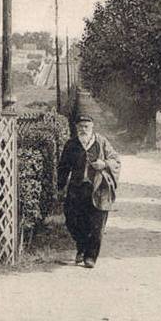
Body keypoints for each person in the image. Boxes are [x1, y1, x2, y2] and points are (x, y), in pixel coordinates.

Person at [57, 114, 121, 268]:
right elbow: (63, 167)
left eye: (86, 126)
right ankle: (82, 246)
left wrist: (104, 164)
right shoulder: (71, 144)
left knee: (97, 224)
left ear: (92, 128)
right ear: (76, 128)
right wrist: (60, 187)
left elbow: (116, 160)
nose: (83, 129)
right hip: (76, 189)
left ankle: (90, 256)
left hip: (98, 189)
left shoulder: (101, 142)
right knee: (72, 220)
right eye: (80, 126)